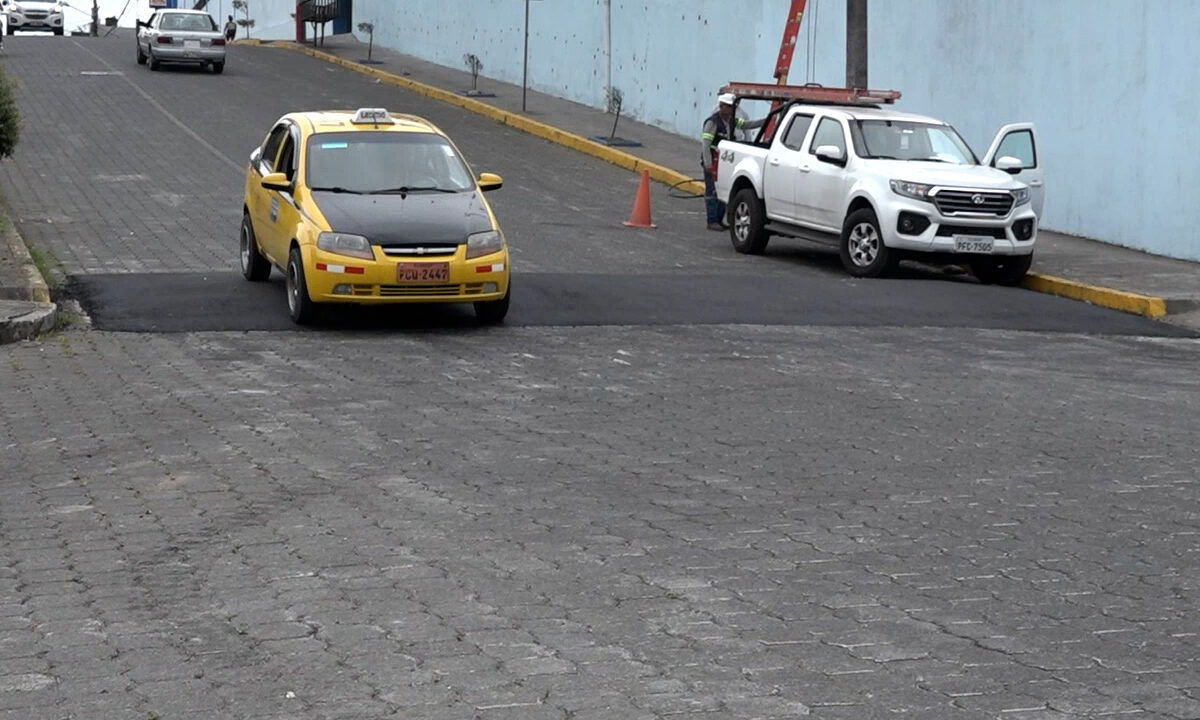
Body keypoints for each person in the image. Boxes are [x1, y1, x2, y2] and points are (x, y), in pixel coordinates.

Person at [700, 92, 764, 231]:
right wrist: (708, 163)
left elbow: (747, 125)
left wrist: (765, 121)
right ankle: (712, 220)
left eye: (731, 107)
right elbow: (706, 145)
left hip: (722, 162)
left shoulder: (731, 121)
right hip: (713, 162)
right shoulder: (713, 123)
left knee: (722, 190)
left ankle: (719, 220)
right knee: (712, 192)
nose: (730, 110)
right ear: (721, 106)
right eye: (728, 107)